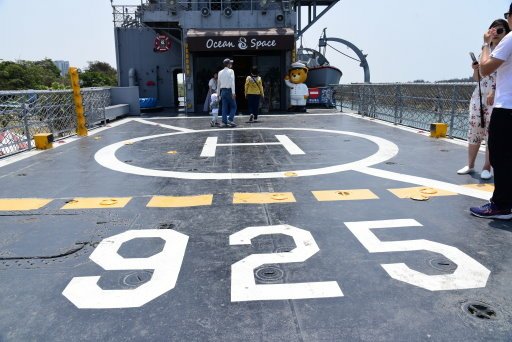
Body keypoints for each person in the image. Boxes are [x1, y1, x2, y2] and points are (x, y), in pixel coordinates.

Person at [470, 3, 512, 219]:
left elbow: (485, 69)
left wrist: (486, 44)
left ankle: (501, 205)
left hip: (506, 108)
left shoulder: (510, 39)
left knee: (501, 156)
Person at [457, 19, 510, 180]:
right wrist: (476, 69)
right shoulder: (485, 51)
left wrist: (493, 92)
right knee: (474, 130)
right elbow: (478, 77)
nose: (495, 33)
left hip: (496, 97)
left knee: (490, 133)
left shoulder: (506, 49)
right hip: (479, 95)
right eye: (492, 30)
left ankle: (487, 166)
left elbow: (503, 75)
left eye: (500, 31)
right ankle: (470, 164)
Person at [217, 58, 237, 127]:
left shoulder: (220, 72)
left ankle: (224, 122)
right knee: (234, 106)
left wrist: (218, 94)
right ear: (228, 64)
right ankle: (230, 120)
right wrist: (233, 92)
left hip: (223, 91)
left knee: (224, 107)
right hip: (229, 90)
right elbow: (232, 82)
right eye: (230, 63)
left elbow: (218, 84)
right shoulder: (231, 71)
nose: (231, 64)